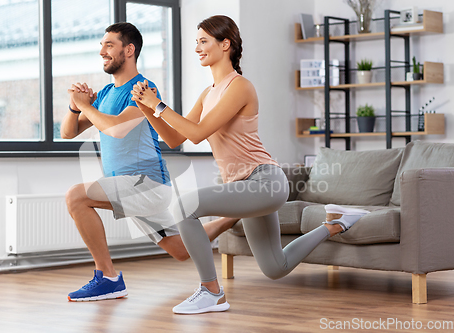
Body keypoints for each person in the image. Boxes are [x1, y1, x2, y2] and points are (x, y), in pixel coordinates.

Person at [131, 15, 369, 314]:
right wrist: (149, 110)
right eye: (196, 42)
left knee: (184, 207)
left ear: (225, 44)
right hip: (244, 186)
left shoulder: (240, 87)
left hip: (264, 182)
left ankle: (211, 291)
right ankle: (336, 224)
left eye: (203, 41)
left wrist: (159, 105)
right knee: (275, 266)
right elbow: (178, 138)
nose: (197, 48)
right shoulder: (208, 93)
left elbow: (199, 132)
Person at [61, 22, 238, 302]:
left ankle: (108, 278)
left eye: (109, 45)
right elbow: (68, 132)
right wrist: (74, 106)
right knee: (180, 250)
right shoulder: (106, 94)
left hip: (146, 184)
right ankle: (235, 216)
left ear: (129, 50)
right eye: (101, 46)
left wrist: (85, 106)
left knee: (76, 197)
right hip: (128, 186)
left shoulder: (143, 88)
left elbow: (116, 129)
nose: (102, 52)